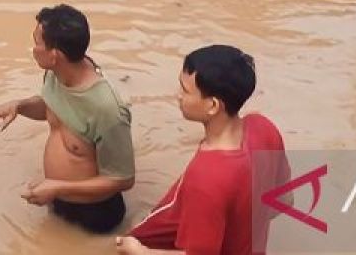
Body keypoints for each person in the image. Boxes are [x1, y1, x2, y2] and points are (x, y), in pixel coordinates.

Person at [116, 45, 290, 255]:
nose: (177, 96)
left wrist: (141, 252)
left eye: (185, 90)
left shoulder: (207, 178)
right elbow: (284, 200)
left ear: (213, 106)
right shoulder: (264, 128)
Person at [0, 5, 135, 233]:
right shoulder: (55, 73)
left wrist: (57, 188)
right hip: (56, 197)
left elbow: (123, 179)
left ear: (55, 55)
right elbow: (53, 107)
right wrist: (19, 106)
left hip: (95, 216)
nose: (33, 49)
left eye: (37, 43)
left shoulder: (108, 109)